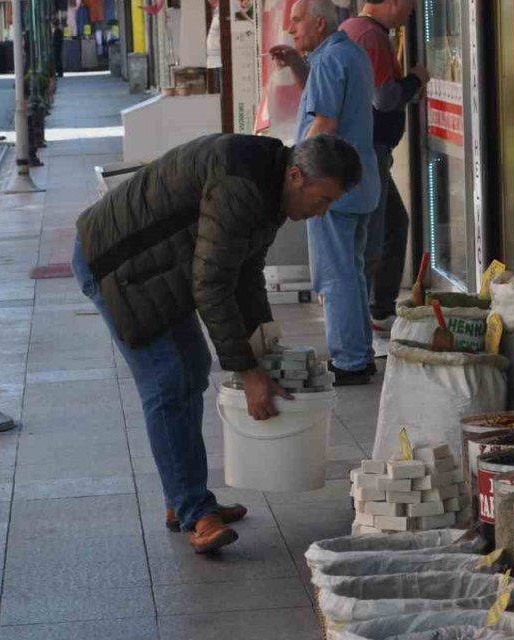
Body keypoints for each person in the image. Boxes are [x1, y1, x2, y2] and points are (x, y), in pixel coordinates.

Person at [72, 134, 362, 554]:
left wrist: (263, 338)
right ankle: (194, 511)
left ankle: (182, 497)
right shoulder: (242, 185)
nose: (323, 212)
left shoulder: (273, 183)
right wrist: (248, 372)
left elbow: (246, 269)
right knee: (168, 382)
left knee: (192, 367)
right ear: (297, 175)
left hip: (160, 265)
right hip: (117, 264)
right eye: (323, 199)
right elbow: (212, 285)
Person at [270, 0, 380, 386]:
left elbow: (326, 122)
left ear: (319, 23)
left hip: (331, 187)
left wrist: (293, 169)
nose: (291, 28)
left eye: (297, 21)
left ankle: (349, 361)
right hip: (358, 183)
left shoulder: (332, 60)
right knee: (352, 273)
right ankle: (360, 355)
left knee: (336, 277)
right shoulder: (349, 52)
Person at [340, 0, 427, 357]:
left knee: (392, 227)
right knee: (374, 240)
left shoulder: (355, 31)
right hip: (370, 151)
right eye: (407, 3)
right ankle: (372, 321)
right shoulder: (370, 36)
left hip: (369, 151)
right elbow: (385, 98)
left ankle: (377, 313)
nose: (411, 10)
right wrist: (416, 79)